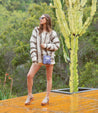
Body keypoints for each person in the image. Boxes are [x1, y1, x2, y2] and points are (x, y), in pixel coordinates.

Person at [25, 14, 60, 106]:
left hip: (48, 58)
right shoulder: (36, 30)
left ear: (47, 20)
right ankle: (30, 95)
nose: (40, 19)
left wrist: (46, 46)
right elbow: (32, 43)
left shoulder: (52, 33)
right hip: (38, 58)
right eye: (40, 17)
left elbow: (57, 45)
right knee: (29, 75)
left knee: (48, 78)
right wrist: (34, 57)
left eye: (42, 18)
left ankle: (47, 97)